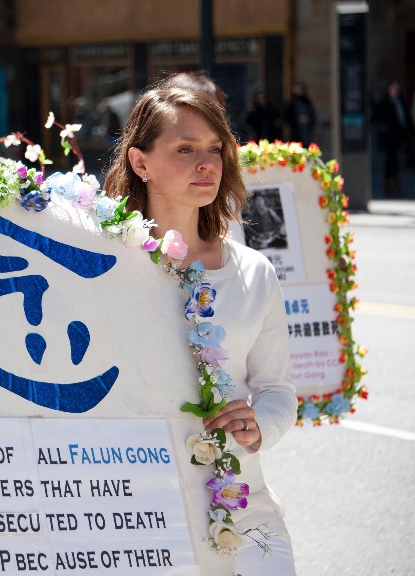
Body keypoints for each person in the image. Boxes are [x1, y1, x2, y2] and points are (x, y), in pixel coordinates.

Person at [104, 83, 297, 574]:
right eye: (184, 149)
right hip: (136, 517)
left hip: (242, 508)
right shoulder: (102, 266)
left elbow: (277, 391)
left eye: (214, 149)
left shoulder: (254, 273)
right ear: (140, 163)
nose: (206, 163)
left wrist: (258, 429)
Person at [373, 79, 415, 198]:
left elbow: (406, 118)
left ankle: (393, 184)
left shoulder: (401, 101)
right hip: (388, 137)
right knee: (390, 162)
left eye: (397, 87)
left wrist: (411, 132)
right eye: (393, 87)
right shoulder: (384, 103)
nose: (396, 90)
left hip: (399, 137)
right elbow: (377, 118)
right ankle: (391, 185)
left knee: (395, 161)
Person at [283, 80, 316, 147]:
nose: (299, 90)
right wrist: (297, 119)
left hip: (306, 133)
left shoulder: (307, 102)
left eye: (300, 88)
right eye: (297, 88)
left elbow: (313, 116)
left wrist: (308, 119)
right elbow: (286, 118)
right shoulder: (291, 103)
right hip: (296, 133)